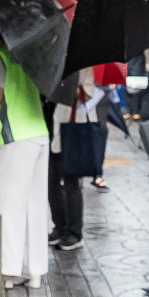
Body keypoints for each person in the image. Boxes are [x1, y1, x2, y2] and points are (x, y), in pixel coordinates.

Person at [0, 19, 52, 288]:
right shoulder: (29, 58)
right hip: (38, 133)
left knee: (4, 206)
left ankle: (3, 272)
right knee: (33, 204)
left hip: (15, 138)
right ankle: (34, 270)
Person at [49, 71, 99, 251]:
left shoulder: (84, 67)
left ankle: (74, 233)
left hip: (75, 129)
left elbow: (87, 96)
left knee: (71, 183)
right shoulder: (60, 63)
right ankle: (60, 227)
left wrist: (67, 86)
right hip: (59, 126)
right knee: (52, 181)